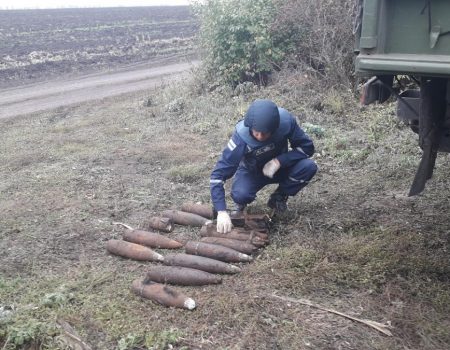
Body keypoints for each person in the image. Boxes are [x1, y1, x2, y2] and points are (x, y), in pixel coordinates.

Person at [210, 99, 318, 233]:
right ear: (249, 126)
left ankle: (279, 196)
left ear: (275, 128)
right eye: (256, 132)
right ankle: (241, 205)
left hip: (279, 168)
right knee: (240, 194)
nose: (260, 136)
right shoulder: (240, 138)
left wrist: (280, 161)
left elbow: (307, 148)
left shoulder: (285, 122)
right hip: (252, 171)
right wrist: (221, 211)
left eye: (265, 133)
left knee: (308, 166)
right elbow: (217, 175)